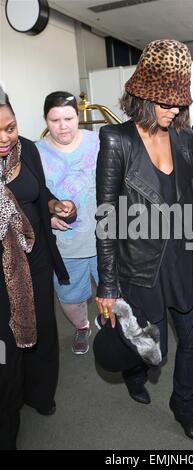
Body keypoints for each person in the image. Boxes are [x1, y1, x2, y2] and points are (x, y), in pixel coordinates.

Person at [95, 39, 193, 442]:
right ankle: (134, 372)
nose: (173, 110)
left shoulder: (181, 138)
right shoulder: (116, 140)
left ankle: (183, 407)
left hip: (182, 259)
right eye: (164, 102)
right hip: (140, 265)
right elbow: (107, 219)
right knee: (151, 344)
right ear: (143, 94)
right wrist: (108, 286)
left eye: (178, 103)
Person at [0, 90, 76, 450]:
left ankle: (40, 395)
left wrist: (53, 204)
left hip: (37, 258)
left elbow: (38, 190)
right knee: (7, 347)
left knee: (44, 329)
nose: (5, 138)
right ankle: (8, 413)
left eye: (10, 127)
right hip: (3, 273)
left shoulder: (26, 149)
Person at [36, 92, 100, 355]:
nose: (63, 126)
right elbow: (32, 195)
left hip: (105, 236)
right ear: (45, 120)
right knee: (71, 297)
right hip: (65, 245)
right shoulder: (35, 152)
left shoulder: (99, 141)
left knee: (115, 291)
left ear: (79, 116)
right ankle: (82, 325)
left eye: (69, 118)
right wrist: (48, 216)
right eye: (55, 119)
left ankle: (109, 323)